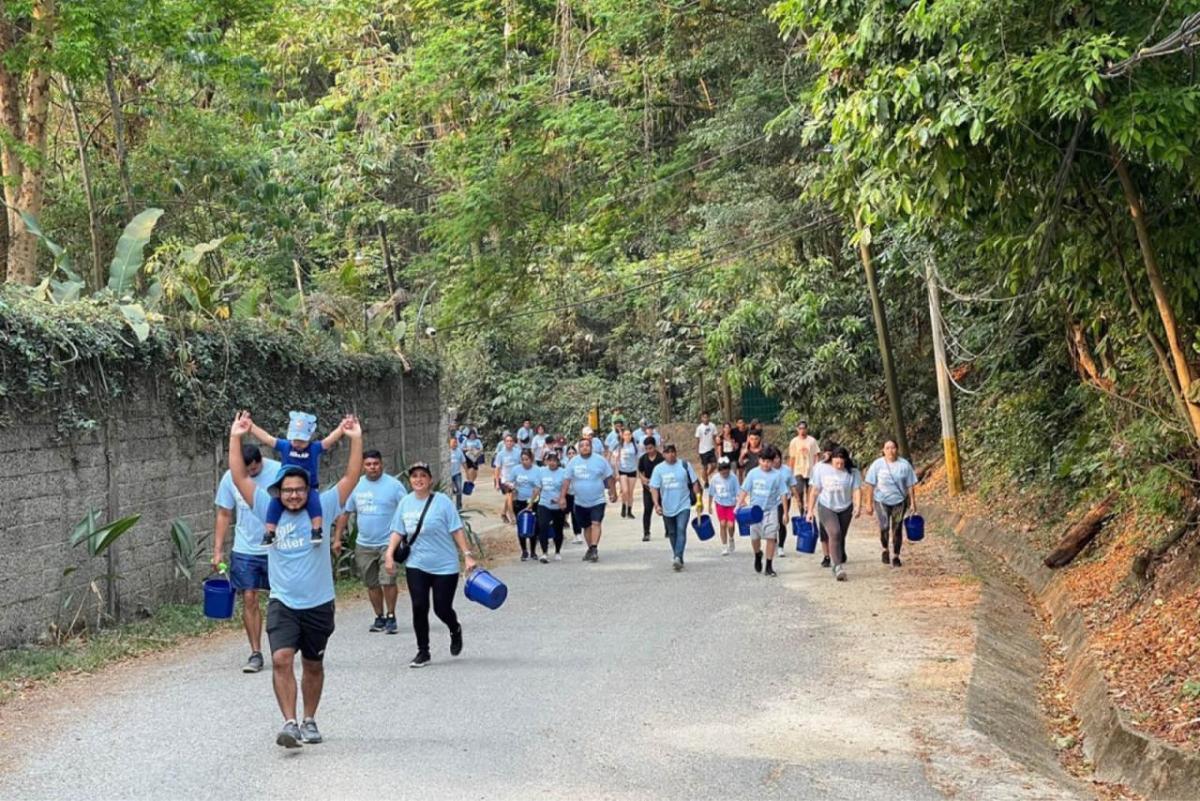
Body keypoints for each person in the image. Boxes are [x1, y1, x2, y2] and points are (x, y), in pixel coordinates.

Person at [227, 411, 362, 749]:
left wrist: (355, 439)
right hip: (283, 602)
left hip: (318, 603)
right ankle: (289, 722)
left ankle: (310, 719)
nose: (293, 496)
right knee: (281, 659)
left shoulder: (325, 507)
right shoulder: (265, 507)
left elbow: (351, 476)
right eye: (287, 491)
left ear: (307, 490)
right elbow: (239, 477)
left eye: (299, 490)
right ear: (278, 492)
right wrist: (236, 437)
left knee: (313, 665)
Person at [385, 461, 477, 668]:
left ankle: (454, 628)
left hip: (445, 565)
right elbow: (398, 531)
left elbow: (456, 529)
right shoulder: (405, 503)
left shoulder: (442, 502)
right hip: (416, 564)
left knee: (442, 608)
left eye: (423, 476)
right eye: (414, 476)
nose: (418, 480)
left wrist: (467, 555)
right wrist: (389, 554)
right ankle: (423, 651)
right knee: (419, 606)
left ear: (430, 480)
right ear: (410, 481)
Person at [213, 445, 281, 673]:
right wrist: (218, 550)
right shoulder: (230, 478)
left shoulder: (280, 472)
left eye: (256, 468)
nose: (252, 473)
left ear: (262, 461)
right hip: (245, 548)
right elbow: (224, 513)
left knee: (280, 600)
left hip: (277, 548)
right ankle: (256, 653)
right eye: (248, 470)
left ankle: (283, 646)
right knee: (249, 598)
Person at [333, 450, 407, 634]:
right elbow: (345, 513)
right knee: (372, 583)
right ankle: (379, 616)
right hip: (364, 545)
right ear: (363, 466)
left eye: (376, 464)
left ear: (382, 464)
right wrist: (336, 538)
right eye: (368, 464)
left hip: (388, 543)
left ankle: (391, 616)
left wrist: (408, 536)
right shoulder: (356, 487)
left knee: (388, 580)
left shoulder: (394, 486)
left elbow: (407, 508)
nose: (372, 467)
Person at [248, 412, 347, 546]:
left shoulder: (314, 448)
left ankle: (317, 530)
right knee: (274, 504)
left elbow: (329, 440)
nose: (297, 444)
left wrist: (342, 428)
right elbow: (267, 439)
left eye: (301, 441)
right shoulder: (285, 446)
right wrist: (251, 426)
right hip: (286, 488)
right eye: (295, 440)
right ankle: (270, 532)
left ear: (309, 438)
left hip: (309, 487)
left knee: (315, 504)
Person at [807, 446, 863, 582]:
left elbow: (856, 490)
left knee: (840, 536)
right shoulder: (821, 468)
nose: (839, 466)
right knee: (835, 533)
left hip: (845, 507)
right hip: (826, 506)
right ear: (831, 460)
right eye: (836, 463)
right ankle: (837, 567)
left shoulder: (853, 472)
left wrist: (857, 506)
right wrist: (810, 510)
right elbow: (814, 491)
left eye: (842, 463)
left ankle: (838, 554)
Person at [559, 434, 616, 562]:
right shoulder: (573, 462)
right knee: (586, 526)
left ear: (591, 447)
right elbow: (566, 480)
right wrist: (562, 497)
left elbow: (609, 477)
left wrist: (613, 492)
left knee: (596, 522)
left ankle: (594, 548)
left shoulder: (600, 460)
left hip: (597, 500)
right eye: (582, 446)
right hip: (580, 501)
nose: (585, 448)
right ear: (579, 448)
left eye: (587, 445)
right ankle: (590, 548)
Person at [864, 439, 918, 568]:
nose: (890, 451)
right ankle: (885, 549)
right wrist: (868, 503)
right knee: (884, 526)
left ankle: (896, 555)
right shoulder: (877, 465)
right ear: (883, 450)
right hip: (881, 500)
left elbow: (910, 485)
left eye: (893, 447)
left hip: (899, 501)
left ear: (897, 449)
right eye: (887, 448)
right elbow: (870, 484)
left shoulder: (904, 465)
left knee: (897, 527)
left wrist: (913, 502)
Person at [649, 443, 702, 571]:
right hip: (667, 506)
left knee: (681, 529)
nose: (671, 454)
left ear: (676, 453)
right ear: (664, 454)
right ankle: (677, 555)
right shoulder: (658, 469)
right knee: (672, 532)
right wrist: (656, 504)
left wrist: (699, 500)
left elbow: (695, 483)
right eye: (667, 452)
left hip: (683, 504)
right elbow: (654, 488)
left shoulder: (684, 465)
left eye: (673, 452)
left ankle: (677, 556)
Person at [737, 445, 788, 577]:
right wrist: (738, 505)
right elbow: (744, 490)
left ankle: (769, 566)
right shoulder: (753, 473)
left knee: (771, 537)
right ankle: (757, 554)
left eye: (769, 461)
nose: (766, 464)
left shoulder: (777, 476)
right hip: (754, 511)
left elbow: (783, 494)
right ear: (759, 460)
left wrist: (786, 513)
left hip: (771, 510)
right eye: (764, 461)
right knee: (755, 538)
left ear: (773, 462)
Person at [531, 449, 567, 561]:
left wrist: (561, 499)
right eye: (549, 460)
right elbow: (537, 488)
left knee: (558, 529)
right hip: (544, 503)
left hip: (558, 505)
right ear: (546, 461)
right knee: (543, 527)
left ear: (558, 461)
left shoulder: (563, 472)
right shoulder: (541, 471)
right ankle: (544, 552)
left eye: (554, 460)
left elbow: (566, 488)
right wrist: (531, 502)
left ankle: (557, 551)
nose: (552, 463)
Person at [770, 451, 804, 556]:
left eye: (778, 458)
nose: (776, 460)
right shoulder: (767, 470)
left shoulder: (787, 470)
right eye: (773, 458)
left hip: (784, 499)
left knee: (781, 521)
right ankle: (774, 542)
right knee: (772, 523)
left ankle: (781, 546)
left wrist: (798, 500)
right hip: (771, 501)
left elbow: (793, 486)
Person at [511, 449, 542, 561]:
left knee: (533, 526)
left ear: (531, 459)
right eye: (523, 459)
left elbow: (538, 488)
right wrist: (513, 491)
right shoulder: (516, 469)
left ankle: (533, 551)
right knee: (521, 527)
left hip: (533, 502)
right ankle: (524, 551)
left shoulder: (537, 470)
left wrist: (531, 503)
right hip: (519, 501)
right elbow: (510, 483)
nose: (524, 462)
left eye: (527, 459)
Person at [705, 456, 740, 555]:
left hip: (731, 504)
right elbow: (711, 493)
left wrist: (741, 502)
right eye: (722, 471)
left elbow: (738, 491)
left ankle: (731, 538)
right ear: (719, 470)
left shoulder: (733, 478)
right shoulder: (715, 479)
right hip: (720, 504)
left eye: (726, 470)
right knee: (723, 524)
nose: (725, 473)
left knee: (731, 525)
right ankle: (724, 546)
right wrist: (709, 505)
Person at [787, 421, 820, 517]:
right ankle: (801, 509)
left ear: (807, 429)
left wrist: (816, 466)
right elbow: (792, 457)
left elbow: (816, 454)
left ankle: (809, 509)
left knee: (810, 491)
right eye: (800, 428)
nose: (802, 430)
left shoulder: (812, 441)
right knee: (799, 491)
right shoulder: (794, 442)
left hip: (810, 470)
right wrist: (790, 471)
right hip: (798, 470)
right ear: (797, 429)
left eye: (803, 428)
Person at [637, 436, 666, 542]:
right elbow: (640, 473)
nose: (649, 451)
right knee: (647, 510)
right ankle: (646, 532)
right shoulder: (643, 459)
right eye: (647, 449)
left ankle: (668, 530)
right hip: (648, 488)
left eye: (651, 448)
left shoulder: (661, 458)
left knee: (664, 508)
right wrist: (644, 480)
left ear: (655, 447)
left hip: (660, 488)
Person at [492, 433, 522, 524]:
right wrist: (497, 482)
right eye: (507, 441)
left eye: (511, 441)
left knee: (510, 497)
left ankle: (503, 513)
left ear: (513, 442)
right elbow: (497, 468)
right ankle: (512, 516)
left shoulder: (518, 452)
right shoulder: (500, 454)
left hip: (516, 479)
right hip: (505, 479)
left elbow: (521, 464)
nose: (509, 443)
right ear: (504, 443)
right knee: (510, 496)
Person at [615, 428, 639, 519]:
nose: (627, 436)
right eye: (625, 434)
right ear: (623, 436)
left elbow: (637, 459)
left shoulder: (635, 445)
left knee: (630, 492)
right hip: (623, 470)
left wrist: (638, 470)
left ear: (631, 435)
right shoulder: (620, 446)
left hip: (632, 470)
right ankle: (623, 506)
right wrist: (617, 472)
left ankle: (629, 510)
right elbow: (617, 460)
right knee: (625, 490)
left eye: (629, 434)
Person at [563, 444, 583, 544]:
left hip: (576, 493)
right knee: (562, 513)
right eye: (569, 453)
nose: (571, 455)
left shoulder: (580, 464)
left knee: (575, 514)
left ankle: (578, 534)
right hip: (566, 493)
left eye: (573, 453)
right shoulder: (563, 465)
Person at [694, 412, 718, 483]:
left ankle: (705, 475)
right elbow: (697, 441)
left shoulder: (712, 426)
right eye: (704, 417)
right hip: (703, 450)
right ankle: (706, 482)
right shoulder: (699, 428)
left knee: (714, 465)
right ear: (701, 418)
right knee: (705, 467)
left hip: (711, 448)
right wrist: (697, 451)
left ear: (709, 417)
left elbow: (714, 438)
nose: (705, 419)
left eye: (707, 417)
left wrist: (716, 448)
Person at [448, 435, 464, 509]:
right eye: (453, 442)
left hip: (457, 473)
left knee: (459, 489)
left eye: (456, 442)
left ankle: (458, 505)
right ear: (450, 443)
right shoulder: (447, 451)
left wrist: (467, 472)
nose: (455, 444)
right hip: (448, 474)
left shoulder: (459, 451)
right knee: (449, 490)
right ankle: (449, 505)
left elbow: (463, 462)